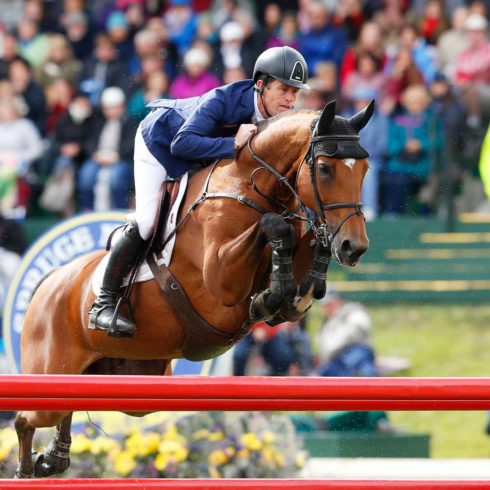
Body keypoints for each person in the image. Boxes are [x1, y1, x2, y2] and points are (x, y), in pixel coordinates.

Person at [89, 46, 310, 337]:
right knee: (146, 221)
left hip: (201, 157)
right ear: (261, 85)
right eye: (284, 89)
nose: (290, 99)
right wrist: (232, 143)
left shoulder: (277, 121)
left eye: (295, 92)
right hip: (160, 143)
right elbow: (181, 145)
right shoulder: (224, 100)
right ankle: (103, 304)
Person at [317, 287, 378, 377]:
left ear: (339, 301)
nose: (328, 308)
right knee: (324, 372)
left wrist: (338, 343)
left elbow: (360, 327)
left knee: (361, 367)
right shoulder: (327, 325)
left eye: (331, 304)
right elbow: (325, 349)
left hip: (356, 351)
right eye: (326, 305)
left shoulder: (352, 311)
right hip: (336, 360)